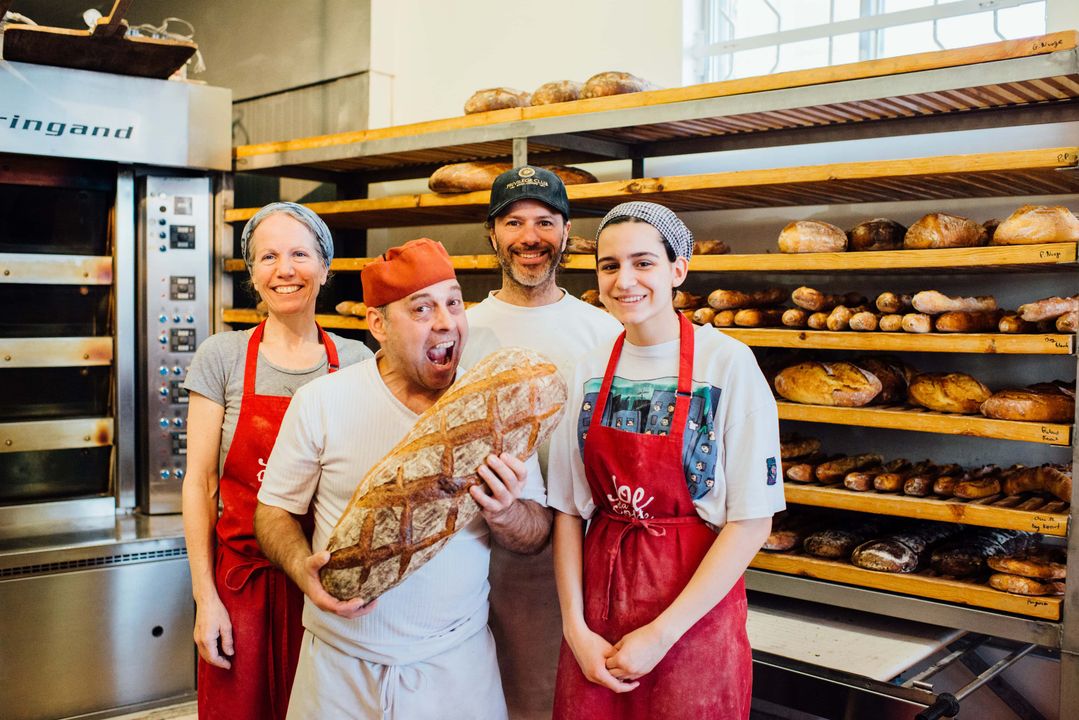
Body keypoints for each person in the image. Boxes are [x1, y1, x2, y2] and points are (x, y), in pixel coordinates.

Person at [253, 238, 551, 720]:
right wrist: (299, 565)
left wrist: (506, 512)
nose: (446, 322)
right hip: (339, 668)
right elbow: (273, 510)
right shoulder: (322, 401)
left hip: (456, 667)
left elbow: (536, 533)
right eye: (422, 308)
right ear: (378, 325)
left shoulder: (499, 409)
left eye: (454, 303)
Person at [548, 201, 785, 719]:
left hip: (692, 617)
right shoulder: (585, 370)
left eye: (643, 263)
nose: (624, 280)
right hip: (598, 614)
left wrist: (661, 633)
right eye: (609, 266)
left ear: (678, 269)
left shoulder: (728, 364)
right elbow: (566, 511)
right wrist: (575, 629)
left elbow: (752, 521)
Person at [182, 202, 373, 720]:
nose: (284, 270)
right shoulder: (222, 357)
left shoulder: (356, 361)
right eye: (268, 257)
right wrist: (206, 599)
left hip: (326, 590)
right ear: (252, 275)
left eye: (299, 255)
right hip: (241, 589)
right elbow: (200, 484)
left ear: (325, 268)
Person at [461, 165, 620, 720]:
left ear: (567, 233)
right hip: (481, 553)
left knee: (555, 701)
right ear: (492, 234)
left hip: (579, 557)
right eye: (514, 222)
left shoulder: (605, 331)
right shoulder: (464, 331)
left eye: (545, 222)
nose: (530, 237)